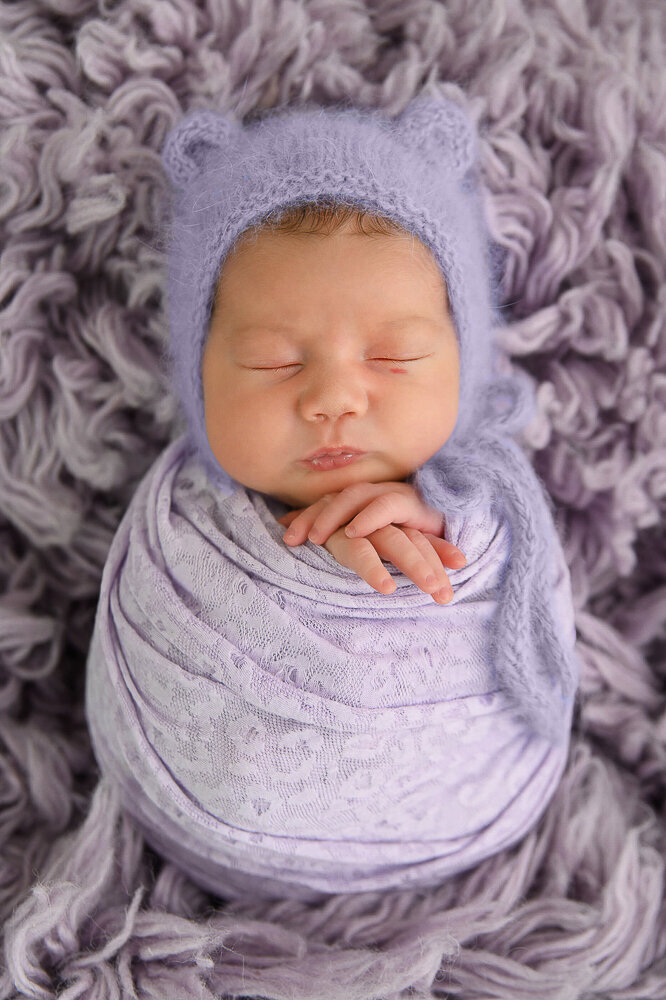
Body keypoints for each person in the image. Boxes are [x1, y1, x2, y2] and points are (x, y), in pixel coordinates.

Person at [84, 93, 580, 902]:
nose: (333, 399)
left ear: (463, 364)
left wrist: (453, 528)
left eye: (393, 357)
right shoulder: (177, 535)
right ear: (199, 380)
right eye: (277, 362)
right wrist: (306, 549)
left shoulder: (496, 510)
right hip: (198, 834)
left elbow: (534, 637)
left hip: (472, 826)